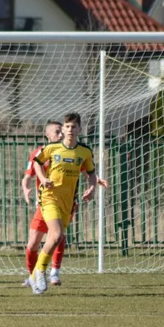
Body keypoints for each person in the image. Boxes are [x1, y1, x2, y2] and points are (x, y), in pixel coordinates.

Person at [29, 112, 107, 294]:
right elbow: (36, 162)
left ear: (79, 129)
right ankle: (40, 271)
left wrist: (92, 188)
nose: (70, 130)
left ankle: (33, 277)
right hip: (49, 197)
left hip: (68, 201)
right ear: (63, 129)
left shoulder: (84, 151)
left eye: (74, 127)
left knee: (55, 239)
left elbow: (91, 172)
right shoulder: (52, 148)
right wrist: (42, 178)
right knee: (55, 235)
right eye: (67, 126)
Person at [22, 120, 67, 287]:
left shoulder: (69, 152)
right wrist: (26, 188)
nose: (61, 134)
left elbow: (86, 170)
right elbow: (27, 177)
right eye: (57, 131)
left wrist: (95, 182)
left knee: (57, 236)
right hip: (43, 203)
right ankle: (33, 275)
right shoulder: (38, 153)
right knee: (33, 242)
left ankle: (54, 272)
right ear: (47, 134)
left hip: (63, 202)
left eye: (62, 131)